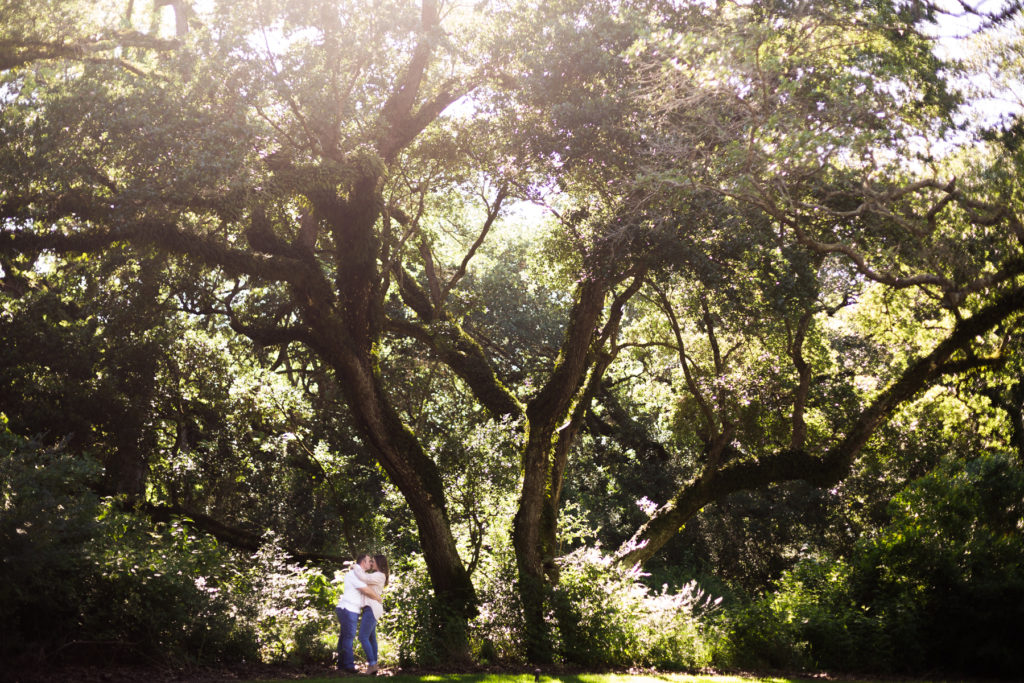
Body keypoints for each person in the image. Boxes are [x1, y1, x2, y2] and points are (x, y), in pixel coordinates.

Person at [335, 554, 379, 673]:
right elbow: (365, 590)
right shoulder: (355, 573)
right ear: (363, 562)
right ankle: (349, 666)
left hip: (349, 610)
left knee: (344, 637)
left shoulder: (360, 574)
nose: (371, 563)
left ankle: (341, 665)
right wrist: (378, 598)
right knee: (348, 637)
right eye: (369, 561)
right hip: (348, 609)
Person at [351, 554, 389, 675]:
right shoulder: (377, 575)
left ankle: (372, 665)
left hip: (372, 608)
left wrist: (356, 566)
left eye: (373, 562)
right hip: (371, 608)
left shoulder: (379, 575)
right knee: (372, 638)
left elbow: (364, 578)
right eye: (370, 561)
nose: (371, 563)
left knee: (363, 637)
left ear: (379, 562)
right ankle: (374, 665)